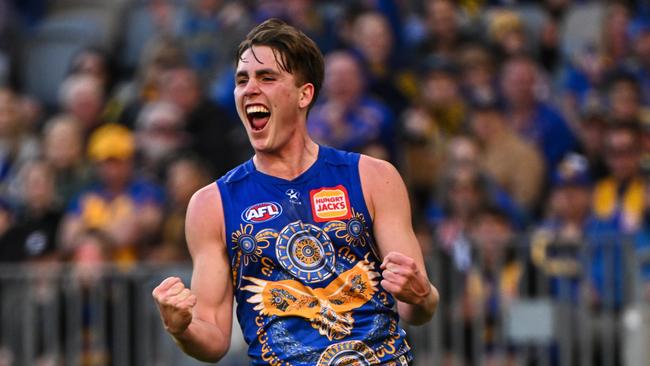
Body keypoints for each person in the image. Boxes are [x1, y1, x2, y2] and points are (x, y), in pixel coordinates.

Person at [152, 19, 438, 365]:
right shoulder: (211, 204)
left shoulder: (373, 177)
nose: (250, 88)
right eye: (242, 80)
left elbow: (417, 305)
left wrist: (421, 294)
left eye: (267, 77)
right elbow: (212, 338)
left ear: (305, 94)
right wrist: (182, 327)